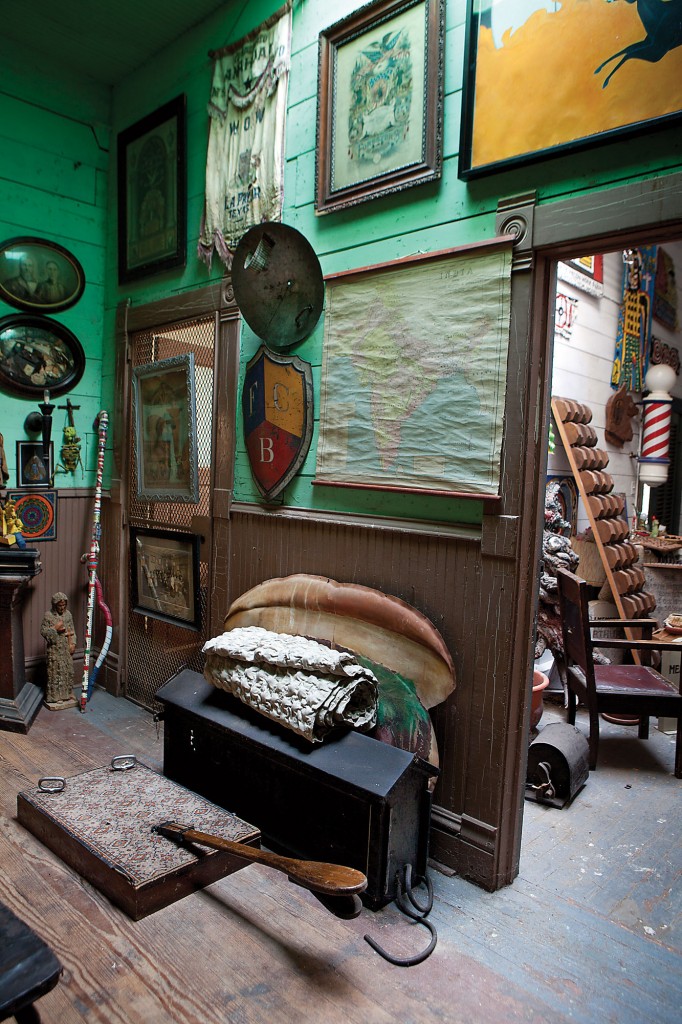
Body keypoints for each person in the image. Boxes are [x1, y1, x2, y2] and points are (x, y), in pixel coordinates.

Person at [40, 592, 77, 709]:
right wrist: (55, 629)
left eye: (64, 605)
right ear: (55, 605)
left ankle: (68, 693)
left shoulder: (68, 615)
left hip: (66, 648)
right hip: (55, 649)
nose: (62, 608)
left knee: (68, 670)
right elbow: (44, 631)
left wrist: (73, 643)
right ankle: (56, 697)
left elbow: (72, 631)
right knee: (56, 671)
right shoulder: (49, 616)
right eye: (60, 606)